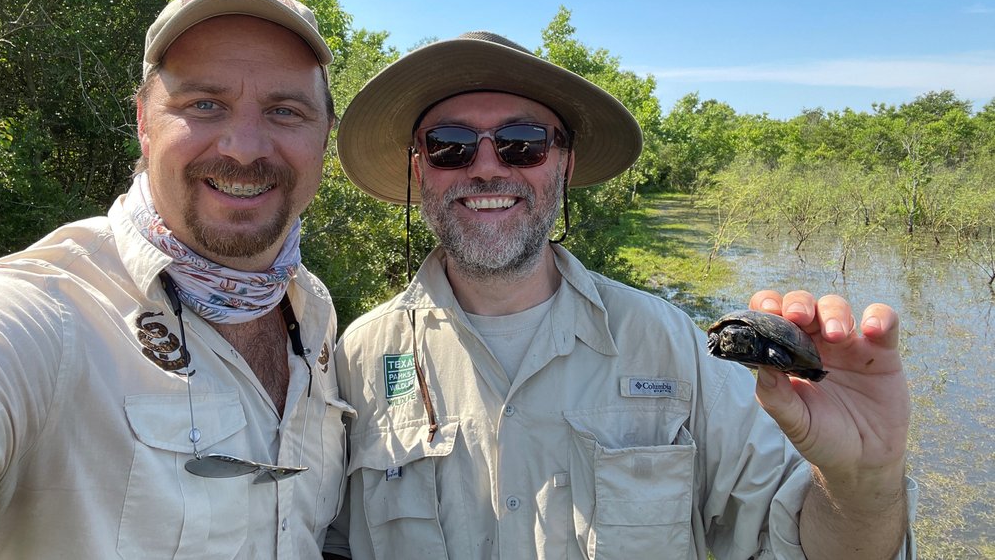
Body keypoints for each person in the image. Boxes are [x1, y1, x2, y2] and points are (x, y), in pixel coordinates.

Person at [324, 31, 917, 559]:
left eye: (523, 142)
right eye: (448, 143)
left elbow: (790, 541)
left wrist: (862, 484)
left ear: (564, 164)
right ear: (420, 169)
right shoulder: (357, 359)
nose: (486, 167)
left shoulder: (669, 343)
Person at [0, 0, 352, 559]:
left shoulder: (315, 316)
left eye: (285, 111)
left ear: (324, 137)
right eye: (204, 105)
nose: (243, 147)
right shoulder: (51, 313)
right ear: (143, 119)